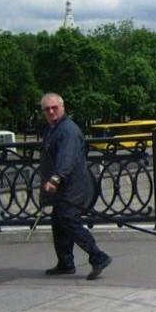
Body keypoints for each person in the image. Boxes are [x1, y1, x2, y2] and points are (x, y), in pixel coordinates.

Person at [39, 92, 112, 280]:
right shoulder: (52, 129)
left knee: (69, 220)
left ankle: (98, 257)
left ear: (62, 107)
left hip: (73, 186)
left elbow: (67, 158)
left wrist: (55, 179)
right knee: (59, 222)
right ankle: (65, 263)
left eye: (54, 107)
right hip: (65, 186)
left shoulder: (68, 131)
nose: (51, 111)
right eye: (47, 109)